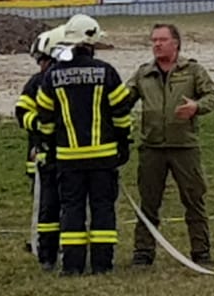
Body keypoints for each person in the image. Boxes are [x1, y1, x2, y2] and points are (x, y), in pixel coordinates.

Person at [34, 14, 136, 275]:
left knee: (72, 210)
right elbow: (121, 113)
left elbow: (45, 117)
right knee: (102, 209)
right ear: (91, 41)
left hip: (68, 159)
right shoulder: (107, 72)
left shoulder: (53, 76)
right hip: (104, 158)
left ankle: (73, 265)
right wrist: (123, 143)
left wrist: (49, 144)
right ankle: (102, 265)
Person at [128, 23, 214, 266]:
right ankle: (143, 252)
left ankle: (201, 252)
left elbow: (213, 96)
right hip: (151, 149)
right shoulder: (143, 73)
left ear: (176, 43)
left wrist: (196, 108)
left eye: (162, 40)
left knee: (194, 199)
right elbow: (122, 100)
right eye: (153, 40)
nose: (157, 44)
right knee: (148, 202)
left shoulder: (192, 71)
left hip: (184, 148)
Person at [14, 28, 61, 268]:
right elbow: (22, 113)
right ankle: (42, 246)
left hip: (62, 155)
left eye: (42, 60)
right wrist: (41, 129)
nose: (40, 66)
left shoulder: (59, 79)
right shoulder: (36, 83)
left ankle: (57, 247)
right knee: (44, 206)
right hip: (42, 155)